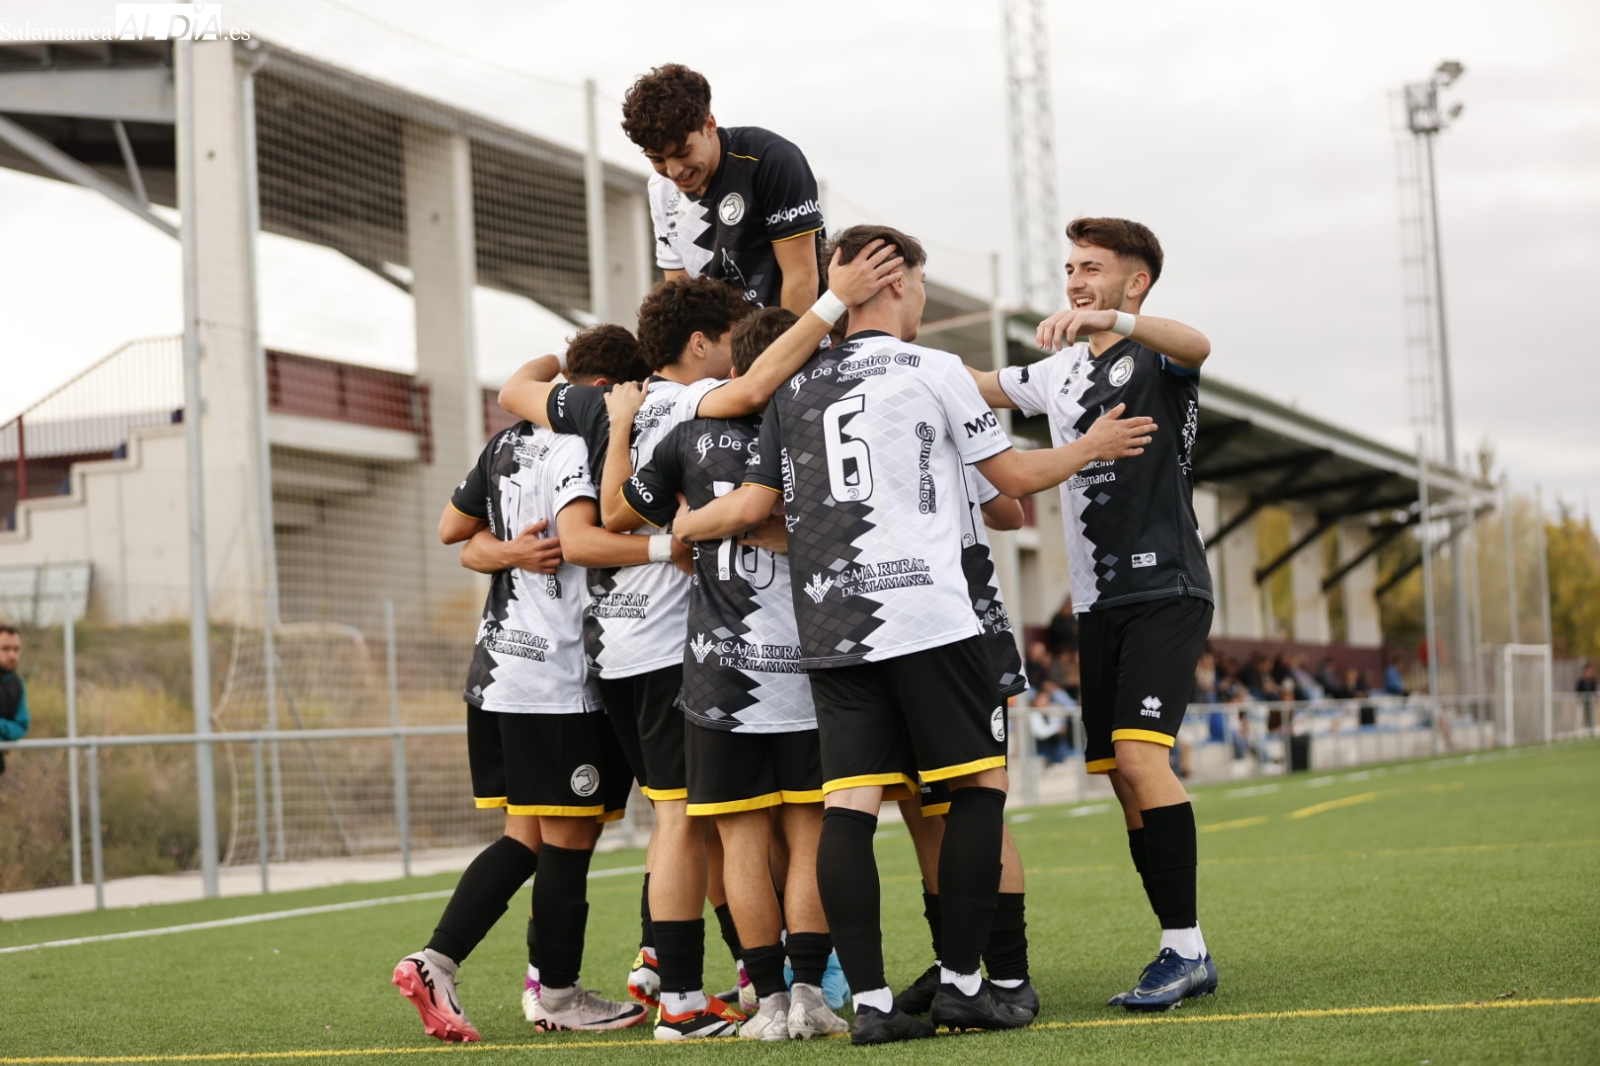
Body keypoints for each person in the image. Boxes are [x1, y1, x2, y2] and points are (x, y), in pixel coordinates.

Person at [672, 223, 1156, 1044]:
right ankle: (971, 981)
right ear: (895, 282)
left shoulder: (792, 386)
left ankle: (869, 1004)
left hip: (832, 624)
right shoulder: (931, 369)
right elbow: (1011, 486)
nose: (923, 298)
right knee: (976, 791)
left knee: (851, 807)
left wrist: (683, 530)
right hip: (931, 618)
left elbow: (754, 511)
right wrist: (1092, 444)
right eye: (921, 284)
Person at [498, 245, 903, 1040]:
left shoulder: (610, 406)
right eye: (723, 338)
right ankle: (715, 990)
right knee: (737, 823)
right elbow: (757, 394)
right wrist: (834, 301)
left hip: (634, 652)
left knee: (718, 827)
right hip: (712, 648)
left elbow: (535, 413)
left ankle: (714, 978)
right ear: (701, 347)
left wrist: (604, 401)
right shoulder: (721, 405)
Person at [394, 332, 677, 1040]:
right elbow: (581, 541)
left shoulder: (506, 444)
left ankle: (443, 962)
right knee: (568, 841)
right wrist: (673, 548)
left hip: (496, 675)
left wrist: (508, 550)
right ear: (614, 389)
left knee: (525, 837)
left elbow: (455, 534)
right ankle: (553, 992)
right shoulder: (584, 446)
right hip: (557, 680)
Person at [968, 216, 1219, 1012]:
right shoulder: (1061, 371)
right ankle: (1181, 948)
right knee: (1121, 779)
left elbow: (1200, 344)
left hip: (1165, 587)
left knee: (1145, 761)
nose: (1075, 280)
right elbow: (976, 385)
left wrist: (1110, 321)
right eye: (1070, 267)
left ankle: (1185, 948)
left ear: (1134, 281)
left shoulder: (1156, 354)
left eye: (1092, 268)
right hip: (1100, 604)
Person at [614, 306, 849, 1041]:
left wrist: (682, 512)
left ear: (735, 361)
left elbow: (619, 513)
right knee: (809, 835)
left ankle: (769, 1001)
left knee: (742, 841)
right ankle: (812, 994)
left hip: (719, 670)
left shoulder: (688, 436)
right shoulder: (821, 425)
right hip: (811, 662)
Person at [623, 64, 824, 315]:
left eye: (683, 153)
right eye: (658, 159)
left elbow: (801, 280)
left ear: (709, 125)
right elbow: (679, 295)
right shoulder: (659, 187)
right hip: (722, 348)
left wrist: (783, 354)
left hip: (787, 337)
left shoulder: (771, 160)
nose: (674, 171)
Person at [0, 626, 28, 778]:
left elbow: (22, 724)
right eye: (5, 649)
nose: (12, 655)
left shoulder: (17, 684)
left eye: (16, 649)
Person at [1577, 663, 1597, 733]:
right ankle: (1585, 728)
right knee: (1584, 714)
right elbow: (1578, 689)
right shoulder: (1581, 680)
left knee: (1591, 714)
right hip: (1584, 700)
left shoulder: (1593, 680)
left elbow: (1594, 689)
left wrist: (1595, 698)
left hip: (1590, 700)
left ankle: (1591, 728)